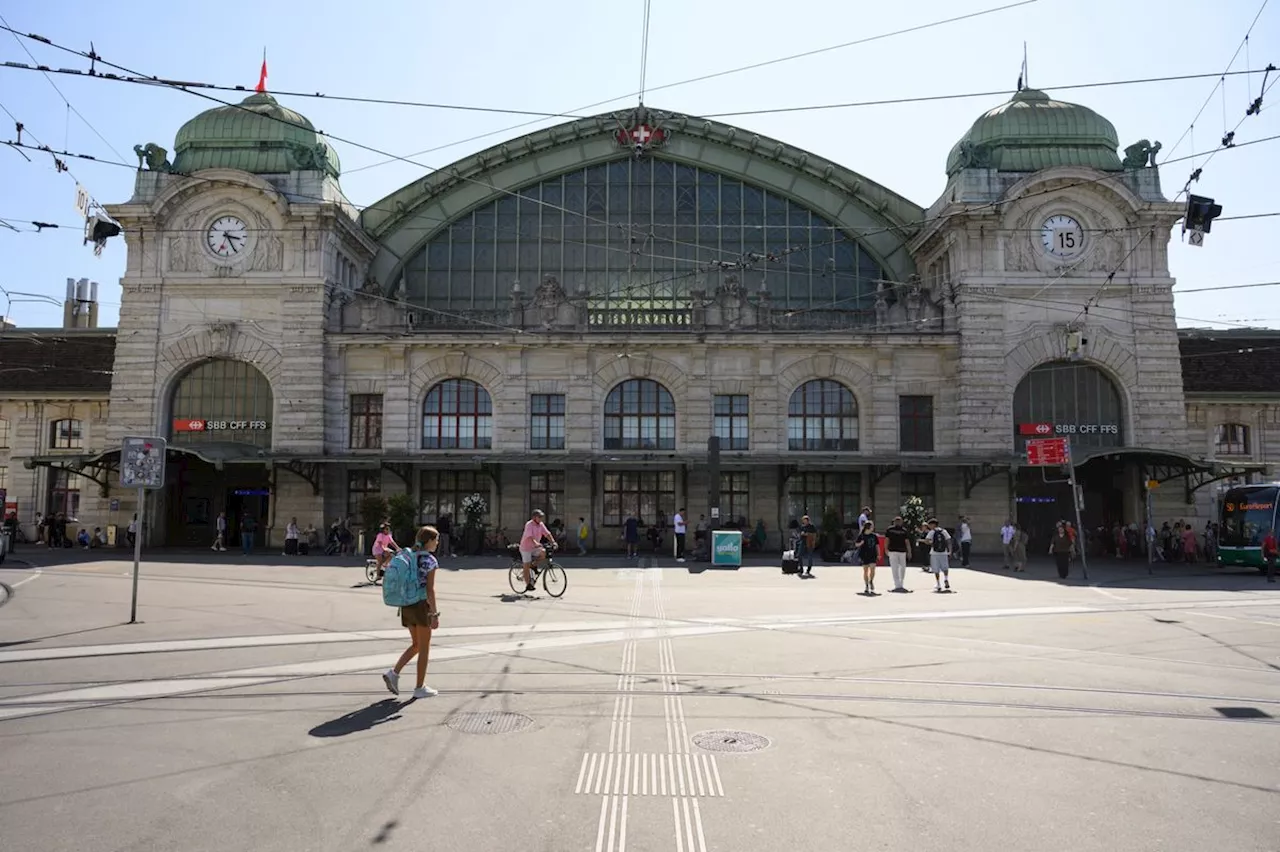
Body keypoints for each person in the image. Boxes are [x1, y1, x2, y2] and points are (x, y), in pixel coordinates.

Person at [381, 525, 442, 699]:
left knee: (416, 644)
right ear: (429, 541)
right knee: (424, 648)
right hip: (421, 605)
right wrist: (434, 614)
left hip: (406, 604)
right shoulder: (430, 561)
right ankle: (419, 687)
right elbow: (430, 590)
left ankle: (394, 673)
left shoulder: (409, 555)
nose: (437, 543)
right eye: (435, 540)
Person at [520, 509, 554, 592]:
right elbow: (530, 536)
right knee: (526, 565)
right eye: (539, 517)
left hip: (535, 547)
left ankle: (534, 565)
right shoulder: (529, 524)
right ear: (534, 517)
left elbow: (547, 533)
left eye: (541, 517)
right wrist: (535, 543)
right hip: (526, 548)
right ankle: (528, 584)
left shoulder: (541, 524)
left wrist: (553, 541)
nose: (541, 519)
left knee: (543, 553)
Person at [884, 516, 913, 593]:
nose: (898, 522)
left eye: (899, 521)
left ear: (901, 522)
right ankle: (897, 585)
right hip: (892, 551)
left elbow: (907, 542)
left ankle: (901, 583)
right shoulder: (890, 529)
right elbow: (887, 540)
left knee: (903, 568)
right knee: (894, 568)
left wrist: (909, 551)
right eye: (896, 521)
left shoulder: (904, 530)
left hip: (902, 551)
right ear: (894, 522)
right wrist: (885, 549)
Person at [924, 518, 952, 592]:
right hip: (944, 552)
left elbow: (926, 541)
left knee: (936, 569)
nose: (929, 526)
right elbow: (949, 541)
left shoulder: (932, 532)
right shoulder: (944, 531)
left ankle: (938, 584)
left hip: (934, 553)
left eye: (929, 525)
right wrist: (950, 550)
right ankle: (946, 578)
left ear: (933, 524)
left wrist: (932, 543)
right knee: (945, 567)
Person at [856, 521, 880, 595]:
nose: (873, 528)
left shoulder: (874, 536)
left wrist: (879, 554)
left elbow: (877, 546)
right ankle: (866, 584)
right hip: (864, 554)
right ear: (868, 527)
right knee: (865, 570)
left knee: (872, 569)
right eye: (872, 526)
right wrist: (861, 543)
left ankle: (871, 581)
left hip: (873, 554)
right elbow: (856, 544)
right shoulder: (861, 535)